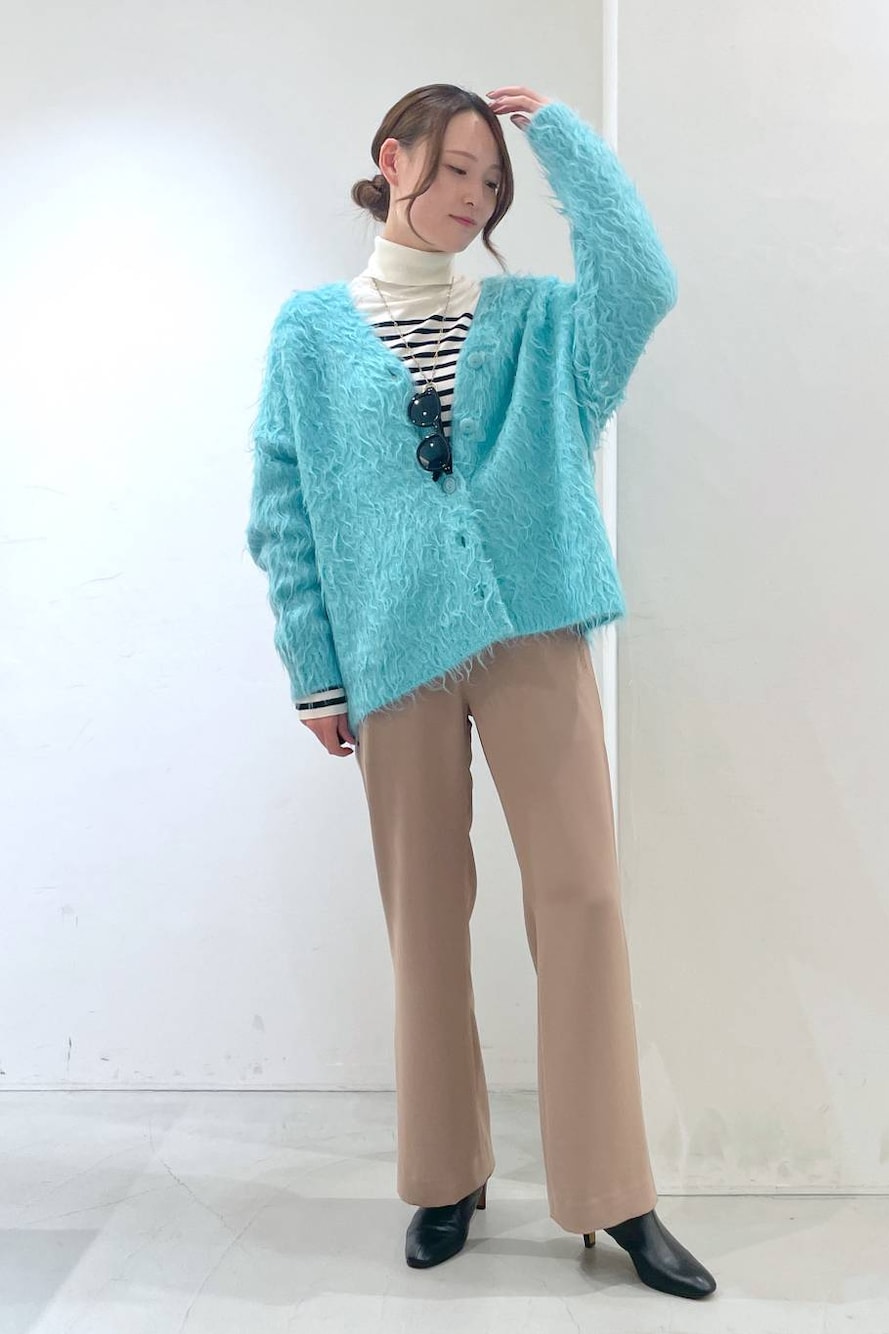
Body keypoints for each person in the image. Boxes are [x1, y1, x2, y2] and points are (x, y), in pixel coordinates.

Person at [246, 82, 716, 1301]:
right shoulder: (310, 332)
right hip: (393, 650)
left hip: (532, 629)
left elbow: (645, 280)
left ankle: (615, 1192)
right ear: (392, 160)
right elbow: (284, 505)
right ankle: (445, 1174)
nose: (474, 197)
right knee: (424, 915)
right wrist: (315, 669)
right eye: (456, 168)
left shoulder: (544, 325)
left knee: (583, 897)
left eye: (491, 183)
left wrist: (557, 137)